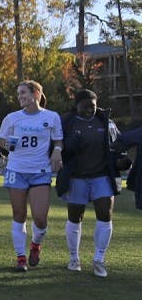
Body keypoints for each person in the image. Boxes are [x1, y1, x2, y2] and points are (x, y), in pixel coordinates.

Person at [0, 80, 63, 272]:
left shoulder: (52, 117)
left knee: (40, 218)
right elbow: (2, 141)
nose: (20, 97)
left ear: (36, 94)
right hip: (16, 170)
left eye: (23, 93)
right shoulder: (12, 117)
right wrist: (8, 145)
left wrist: (57, 151)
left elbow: (58, 141)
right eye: (18, 94)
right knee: (19, 214)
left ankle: (35, 244)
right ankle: (20, 258)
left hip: (40, 172)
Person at [57, 89, 123, 277]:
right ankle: (74, 258)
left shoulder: (105, 121)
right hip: (76, 177)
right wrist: (70, 145)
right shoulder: (67, 122)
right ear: (76, 105)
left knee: (105, 215)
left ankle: (99, 259)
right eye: (85, 107)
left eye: (92, 106)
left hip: (101, 176)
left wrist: (122, 159)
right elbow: (58, 147)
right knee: (75, 217)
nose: (89, 110)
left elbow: (118, 144)